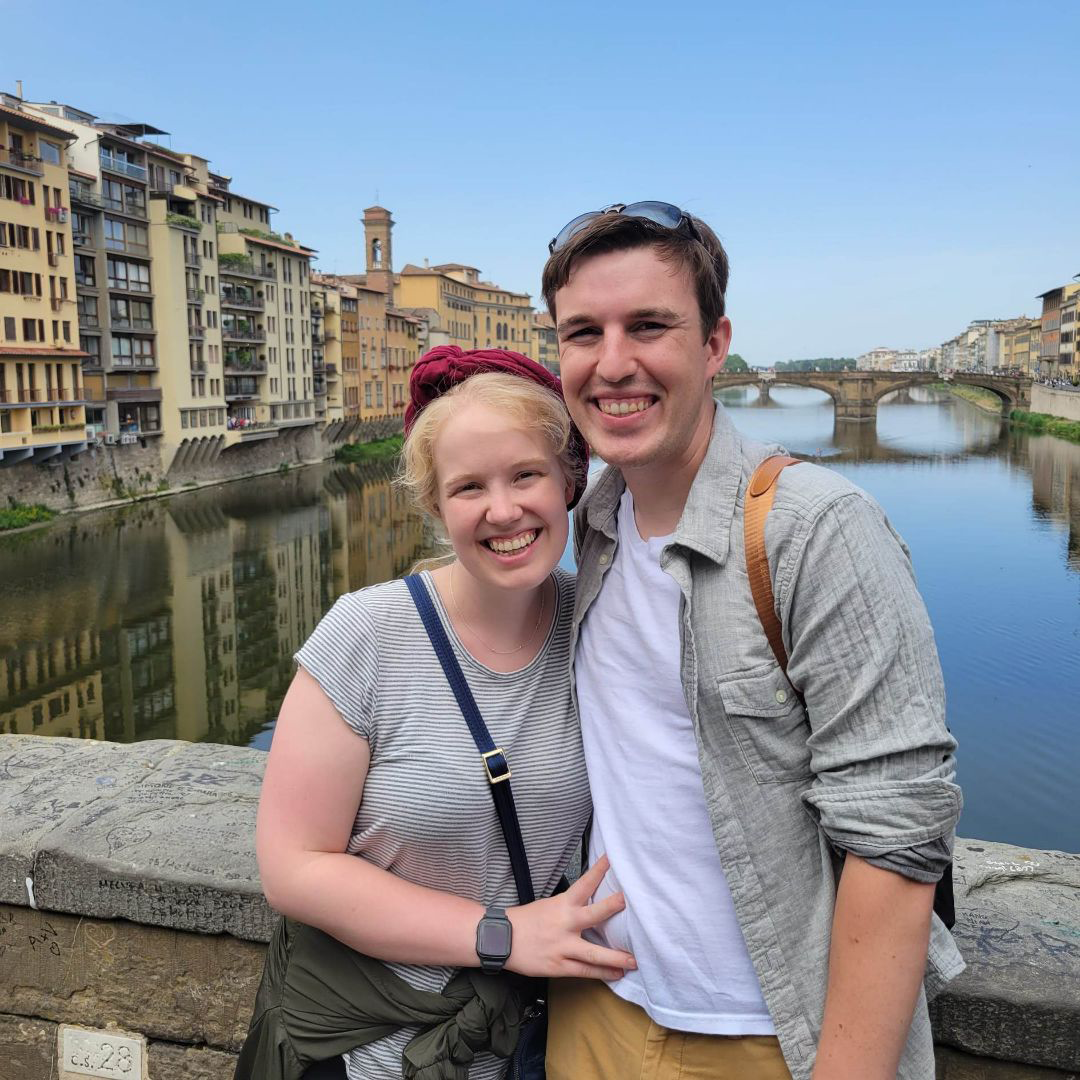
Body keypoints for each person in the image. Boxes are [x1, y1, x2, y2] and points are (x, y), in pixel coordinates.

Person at [539, 203, 964, 1080]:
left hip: (772, 1035)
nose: (612, 362)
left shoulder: (819, 530)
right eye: (584, 333)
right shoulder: (595, 518)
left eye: (649, 326)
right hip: (596, 1006)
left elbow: (898, 833)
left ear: (714, 345)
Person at [245, 349, 636, 1080]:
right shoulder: (365, 633)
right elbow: (292, 868)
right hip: (364, 1057)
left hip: (530, 1050)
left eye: (525, 475)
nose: (504, 510)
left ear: (568, 481)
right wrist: (502, 936)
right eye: (468, 487)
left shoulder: (602, 622)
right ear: (433, 505)